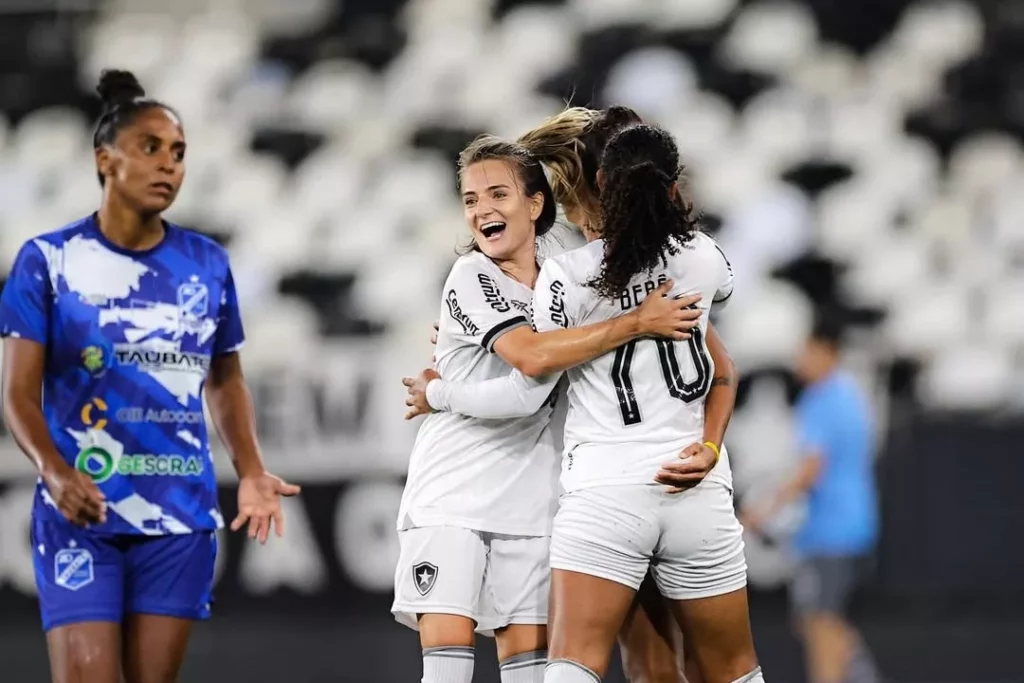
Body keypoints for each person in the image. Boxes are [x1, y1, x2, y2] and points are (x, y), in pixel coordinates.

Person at [410, 123, 762, 683]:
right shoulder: (699, 258)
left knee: (573, 667)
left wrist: (439, 389)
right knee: (724, 669)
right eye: (472, 199)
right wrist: (713, 447)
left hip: (597, 490)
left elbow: (533, 360)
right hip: (690, 482)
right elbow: (721, 366)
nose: (481, 210)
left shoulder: (567, 274)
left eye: (497, 194)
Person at [0, 69, 300, 683]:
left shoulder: (207, 263)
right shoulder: (47, 260)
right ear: (104, 160)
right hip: (82, 511)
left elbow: (225, 379)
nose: (169, 165)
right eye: (151, 148)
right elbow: (17, 394)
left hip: (179, 516)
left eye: (180, 153)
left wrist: (249, 471)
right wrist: (56, 476)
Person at [741, 315, 880, 683]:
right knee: (819, 618)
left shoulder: (822, 400)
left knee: (820, 622)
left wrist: (762, 510)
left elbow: (810, 470)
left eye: (808, 352)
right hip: (851, 526)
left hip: (831, 530)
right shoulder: (849, 394)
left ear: (826, 352)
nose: (801, 360)